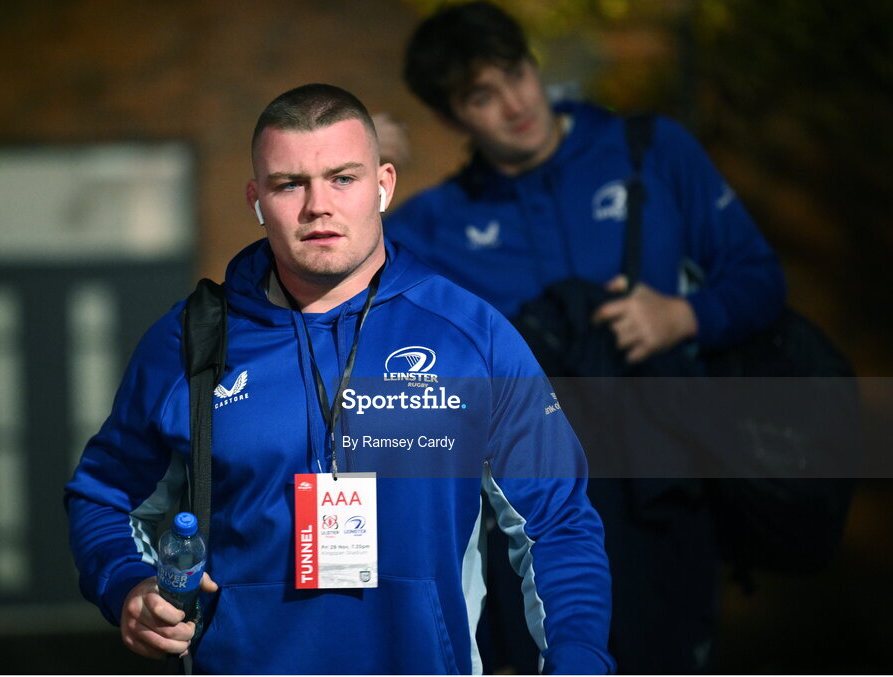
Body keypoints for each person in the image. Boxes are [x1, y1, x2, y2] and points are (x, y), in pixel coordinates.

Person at [65, 83, 615, 675]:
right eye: (289, 184)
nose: (317, 205)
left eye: (342, 178)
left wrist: (579, 660)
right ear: (256, 198)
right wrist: (125, 584)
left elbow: (557, 520)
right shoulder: (189, 342)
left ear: (383, 186)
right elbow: (103, 497)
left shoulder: (471, 335)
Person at [381, 2, 786, 673]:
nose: (514, 103)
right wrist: (359, 169)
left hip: (664, 499)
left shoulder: (651, 151)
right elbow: (338, 299)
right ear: (452, 118)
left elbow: (758, 278)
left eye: (515, 73)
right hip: (527, 522)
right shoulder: (432, 224)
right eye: (482, 95)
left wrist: (682, 316)